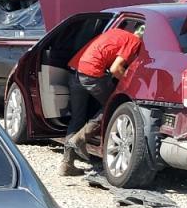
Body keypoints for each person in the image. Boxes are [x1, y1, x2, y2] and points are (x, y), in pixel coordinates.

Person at [59, 23, 146, 175]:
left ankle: (66, 165)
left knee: (77, 118)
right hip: (91, 73)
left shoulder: (116, 31)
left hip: (76, 70)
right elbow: (115, 69)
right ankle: (78, 140)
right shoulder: (135, 41)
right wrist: (130, 84)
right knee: (111, 108)